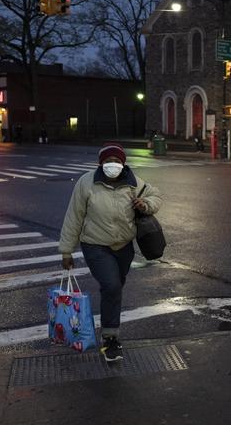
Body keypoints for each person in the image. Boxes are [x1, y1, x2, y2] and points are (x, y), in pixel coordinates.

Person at [59, 143, 162, 362]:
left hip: (124, 246)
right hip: (95, 245)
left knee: (114, 288)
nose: (112, 165)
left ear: (123, 164)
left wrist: (145, 204)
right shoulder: (87, 183)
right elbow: (74, 217)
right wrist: (67, 250)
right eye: (108, 162)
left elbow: (156, 197)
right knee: (112, 285)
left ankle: (110, 331)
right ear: (100, 164)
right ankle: (111, 339)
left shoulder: (133, 183)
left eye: (116, 161)